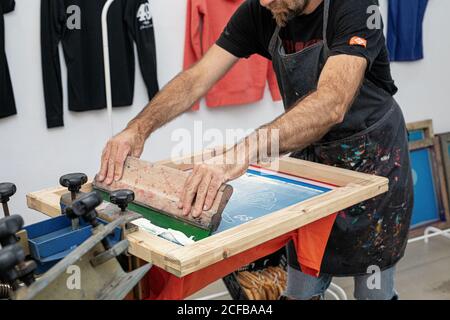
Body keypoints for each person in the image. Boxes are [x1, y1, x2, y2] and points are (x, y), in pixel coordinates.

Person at [98, 0, 413, 300]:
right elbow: (196, 78)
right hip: (313, 161)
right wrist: (138, 128)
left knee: (373, 289)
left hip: (374, 161)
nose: (263, 3)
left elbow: (332, 103)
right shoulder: (263, 9)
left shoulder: (356, 8)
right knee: (301, 286)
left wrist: (241, 152)